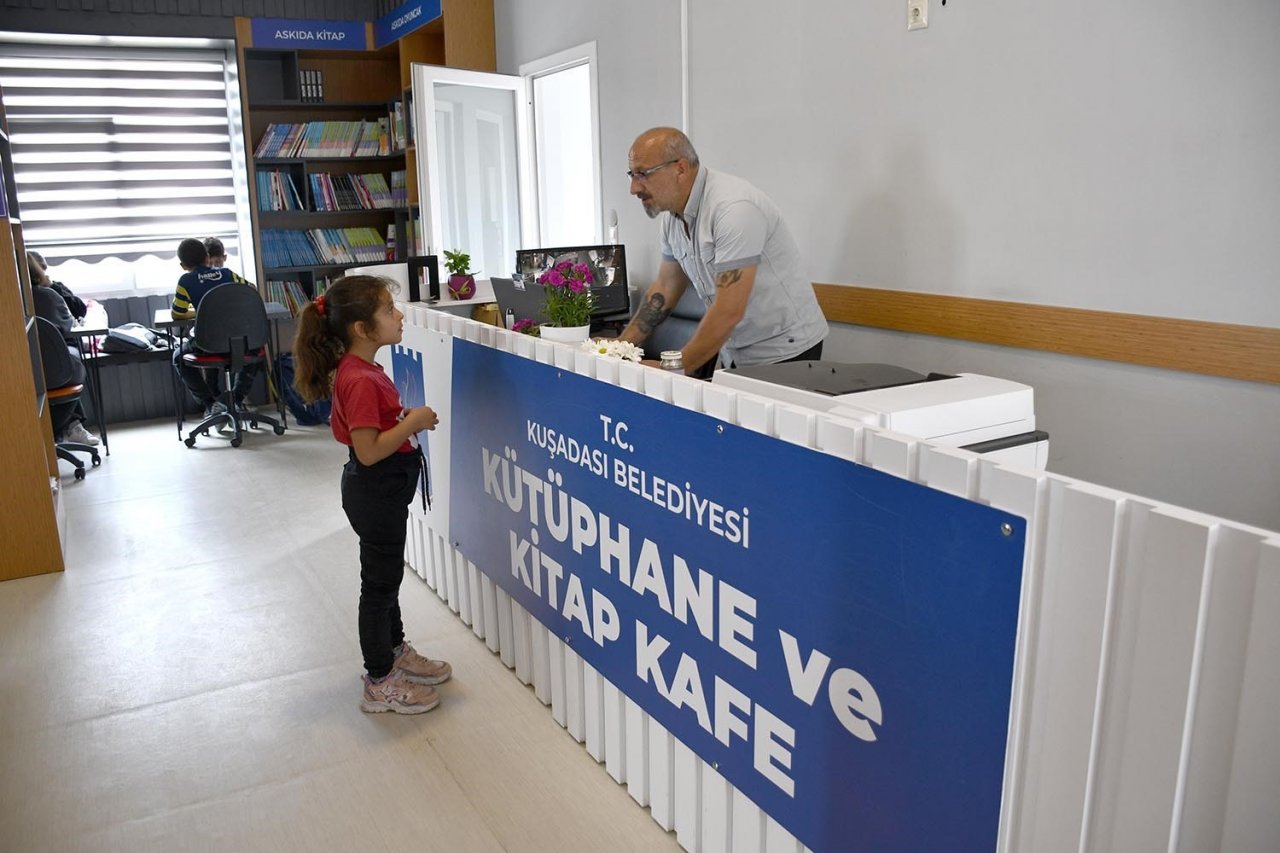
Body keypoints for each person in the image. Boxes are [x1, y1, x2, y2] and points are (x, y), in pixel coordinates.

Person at [292, 275, 451, 714]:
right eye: (387, 310)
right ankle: (379, 678)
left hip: (381, 493)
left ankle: (395, 650)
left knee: (387, 579)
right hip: (374, 491)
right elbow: (368, 451)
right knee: (378, 588)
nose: (399, 316)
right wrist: (412, 421)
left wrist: (397, 417)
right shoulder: (359, 379)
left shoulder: (363, 371)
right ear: (362, 329)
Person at [620, 127, 828, 378]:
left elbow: (729, 310)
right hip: (736, 350)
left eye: (643, 174)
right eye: (632, 174)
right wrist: (620, 348)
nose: (633, 188)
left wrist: (673, 368)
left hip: (786, 351)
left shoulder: (734, 209)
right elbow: (665, 287)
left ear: (680, 169)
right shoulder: (672, 217)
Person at [170, 237, 264, 419]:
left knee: (178, 357)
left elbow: (177, 314)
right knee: (256, 347)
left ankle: (211, 404)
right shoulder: (228, 274)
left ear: (183, 265)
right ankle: (237, 398)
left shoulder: (185, 281)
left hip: (208, 344)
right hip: (239, 342)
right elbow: (251, 289)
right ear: (207, 257)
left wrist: (200, 313)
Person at [28, 251, 99, 446]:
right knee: (69, 359)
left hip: (23, 376)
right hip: (57, 372)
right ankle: (69, 426)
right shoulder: (48, 295)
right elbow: (70, 327)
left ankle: (64, 429)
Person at [27, 250, 87, 320]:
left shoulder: (56, 287)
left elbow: (80, 310)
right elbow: (79, 312)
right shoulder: (47, 294)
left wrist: (52, 286)